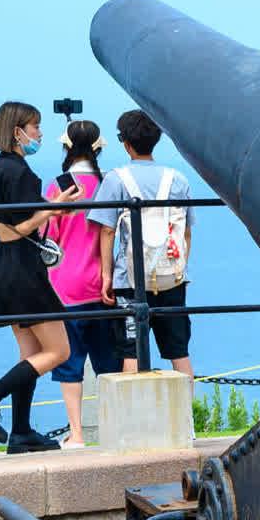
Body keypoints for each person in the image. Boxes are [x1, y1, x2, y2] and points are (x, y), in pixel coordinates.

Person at [0, 104, 68, 454]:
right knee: (58, 350)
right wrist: (50, 208)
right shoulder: (20, 173)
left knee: (30, 353)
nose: (40, 134)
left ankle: (21, 431)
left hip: (4, 268)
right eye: (35, 127)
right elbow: (13, 232)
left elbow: (1, 226)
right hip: (22, 267)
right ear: (17, 131)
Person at [91, 110, 196, 376]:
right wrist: (180, 267)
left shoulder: (117, 179)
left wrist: (106, 276)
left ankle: (132, 418)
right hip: (171, 277)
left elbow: (107, 231)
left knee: (131, 351)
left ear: (126, 143)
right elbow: (186, 232)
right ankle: (187, 415)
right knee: (179, 352)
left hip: (130, 281)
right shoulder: (178, 179)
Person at [44, 119, 117, 447]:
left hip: (65, 288)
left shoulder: (59, 186)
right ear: (99, 149)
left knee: (70, 365)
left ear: (66, 149)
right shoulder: (108, 185)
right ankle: (114, 428)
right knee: (108, 365)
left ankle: (76, 434)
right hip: (104, 285)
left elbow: (49, 240)